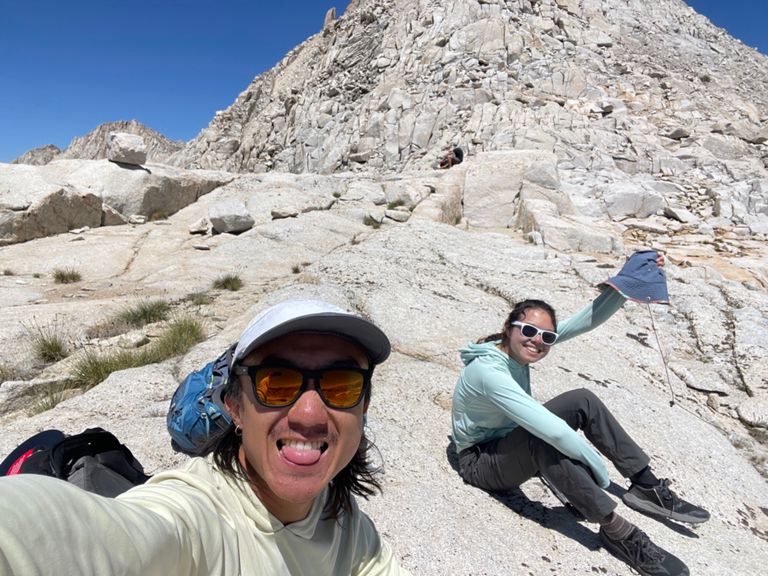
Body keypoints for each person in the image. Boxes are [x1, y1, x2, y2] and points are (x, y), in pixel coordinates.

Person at [0, 299, 411, 575]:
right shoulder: (194, 517)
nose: (309, 414)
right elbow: (81, 536)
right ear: (235, 407)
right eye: (276, 382)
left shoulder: (345, 522)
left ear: (364, 406)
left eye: (341, 384)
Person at [451, 251, 709, 576]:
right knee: (543, 440)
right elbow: (555, 432)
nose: (537, 341)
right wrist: (597, 469)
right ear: (509, 327)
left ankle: (646, 485)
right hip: (480, 463)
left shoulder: (515, 349)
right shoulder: (489, 372)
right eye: (528, 331)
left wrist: (629, 282)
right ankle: (618, 532)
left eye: (547, 337)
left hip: (507, 443)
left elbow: (587, 319)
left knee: (581, 399)